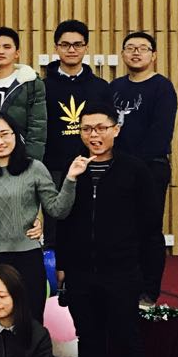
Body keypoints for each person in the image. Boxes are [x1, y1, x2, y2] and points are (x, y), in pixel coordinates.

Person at [58, 105, 162, 357]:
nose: (94, 135)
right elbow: (64, 221)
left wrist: (151, 283)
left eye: (101, 128)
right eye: (87, 129)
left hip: (122, 271)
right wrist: (63, 267)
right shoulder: (75, 168)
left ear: (116, 129)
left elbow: (151, 229)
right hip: (81, 273)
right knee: (88, 338)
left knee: (126, 339)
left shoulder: (135, 170)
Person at [0, 112, 87, 322]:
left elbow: (58, 210)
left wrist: (70, 179)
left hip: (27, 258)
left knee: (30, 322)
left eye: (5, 134)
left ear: (16, 135)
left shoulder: (34, 168)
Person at [111, 31, 178, 305]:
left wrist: (133, 168)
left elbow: (160, 134)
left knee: (148, 230)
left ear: (154, 55)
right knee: (118, 229)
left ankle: (148, 291)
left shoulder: (162, 88)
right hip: (116, 169)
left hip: (150, 169)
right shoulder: (115, 87)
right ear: (123, 54)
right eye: (130, 48)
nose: (136, 52)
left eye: (143, 48)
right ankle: (122, 286)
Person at [42, 20, 110, 244]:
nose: (71, 49)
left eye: (78, 44)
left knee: (90, 226)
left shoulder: (101, 87)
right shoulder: (41, 86)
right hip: (52, 168)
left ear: (86, 48)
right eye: (65, 44)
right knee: (53, 229)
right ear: (56, 48)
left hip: (92, 165)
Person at [0, 27, 46, 162]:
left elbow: (37, 127)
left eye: (7, 47)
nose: (1, 51)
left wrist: (32, 161)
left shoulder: (30, 82)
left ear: (17, 53)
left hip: (18, 155)